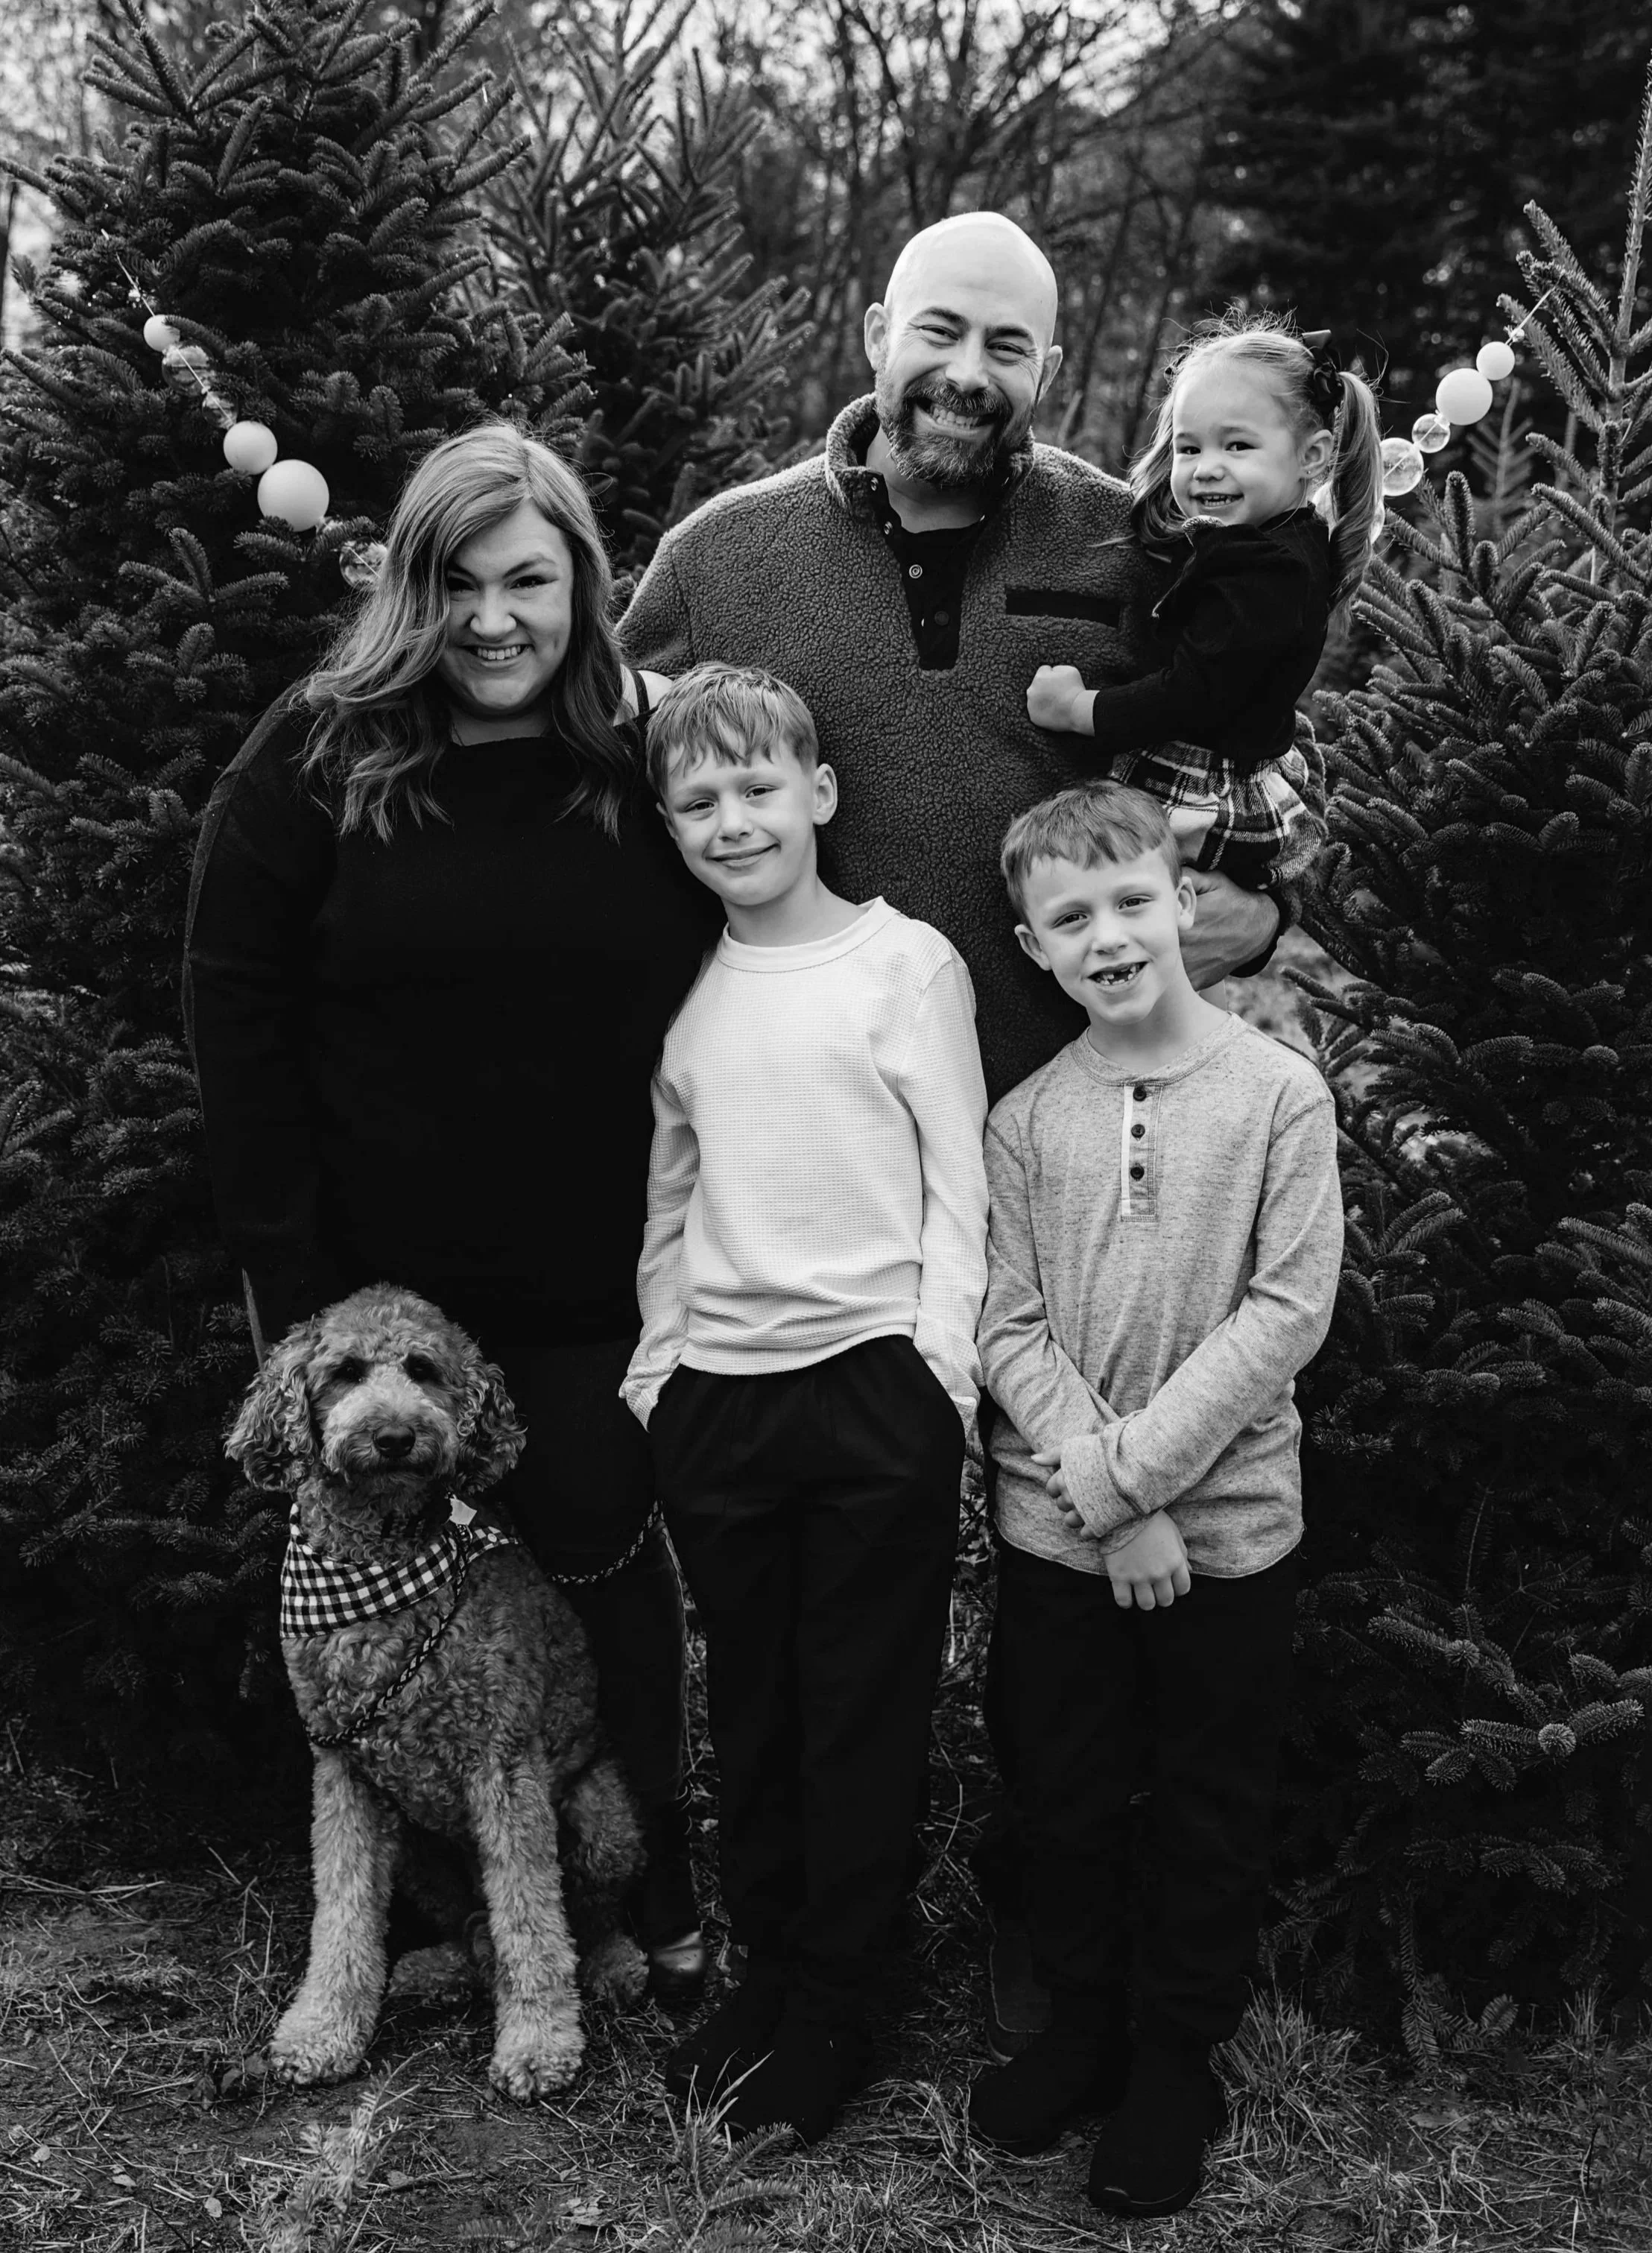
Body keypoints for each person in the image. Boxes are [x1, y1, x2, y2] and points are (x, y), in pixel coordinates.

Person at [183, 423, 719, 1999]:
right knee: (382, 1612)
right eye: (462, 582)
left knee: (605, 1560)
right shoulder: (315, 751)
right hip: (380, 1299)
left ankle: (653, 1879)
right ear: (413, 589)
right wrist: (297, 1288)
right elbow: (235, 1005)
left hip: (588, 1283)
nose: (496, 618)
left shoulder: (631, 755)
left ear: (582, 587)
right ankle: (422, 1908)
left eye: (531, 582)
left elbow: (772, 896)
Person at [621, 212, 1291, 1106]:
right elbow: (611, 806)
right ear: (876, 335)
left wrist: (1266, 916)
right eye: (939, 331)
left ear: (1046, 374)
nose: (968, 375)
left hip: (1077, 1119)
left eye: (1007, 348)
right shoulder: (717, 559)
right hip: (816, 1123)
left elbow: (1269, 737)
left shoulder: (1136, 542)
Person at [622, 663, 990, 2145]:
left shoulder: (905, 966)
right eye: (697, 798)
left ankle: (845, 1991)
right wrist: (658, 1372)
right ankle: (767, 1967)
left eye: (757, 787)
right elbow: (666, 1197)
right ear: (666, 820)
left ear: (819, 793)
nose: (732, 818)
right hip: (718, 1397)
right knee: (756, 1709)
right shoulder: (681, 987)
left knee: (861, 1709)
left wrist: (937, 1376)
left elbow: (959, 1184)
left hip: (869, 1394)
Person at [966, 780, 1344, 2218]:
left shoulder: (1274, 1094)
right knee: (1065, 1791)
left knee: (1204, 1799)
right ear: (1032, 944)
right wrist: (1107, 1506)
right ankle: (1082, 2026)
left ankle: (1173, 2057)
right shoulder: (1023, 1120)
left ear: (1183, 903)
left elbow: (1286, 1306)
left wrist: (1142, 1477)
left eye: (1131, 901)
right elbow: (1005, 1328)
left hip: (1231, 1531)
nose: (1108, 934)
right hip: (1058, 1537)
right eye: (1071, 918)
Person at [1026, 315, 1384, 890]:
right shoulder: (1284, 540)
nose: (1206, 466)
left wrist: (1077, 708)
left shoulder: (1265, 570)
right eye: (1189, 447)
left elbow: (1191, 695)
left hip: (1199, 791)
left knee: (1071, 875)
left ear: (1313, 457)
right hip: (1227, 772)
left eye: (1237, 444)